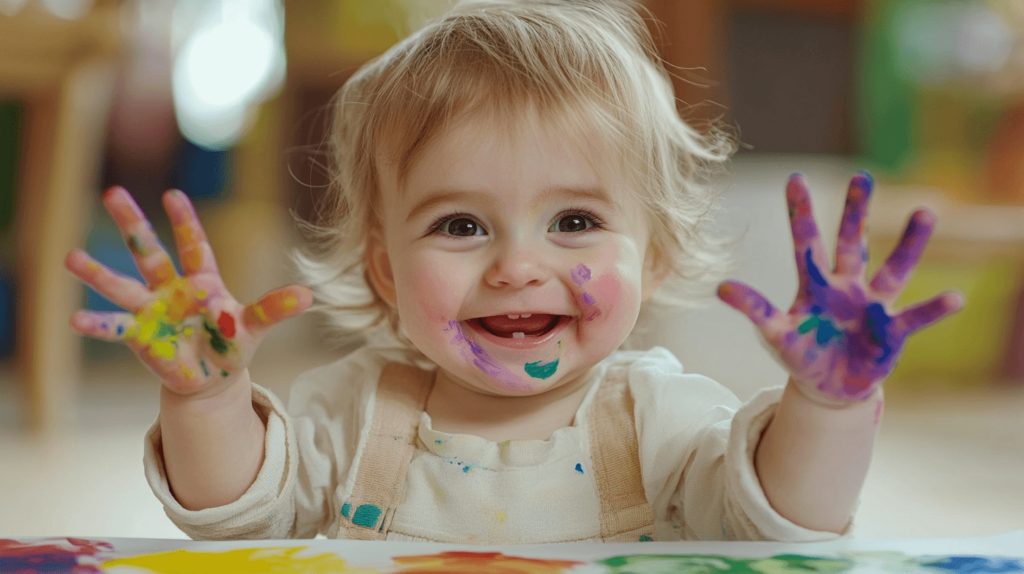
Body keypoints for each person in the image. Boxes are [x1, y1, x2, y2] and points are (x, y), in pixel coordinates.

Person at [64, 0, 963, 543]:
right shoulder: (348, 414)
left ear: (649, 258)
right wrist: (210, 403)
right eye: (460, 225)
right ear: (383, 269)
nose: (519, 266)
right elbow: (237, 522)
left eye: (574, 221)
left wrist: (830, 406)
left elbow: (786, 526)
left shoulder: (664, 419)